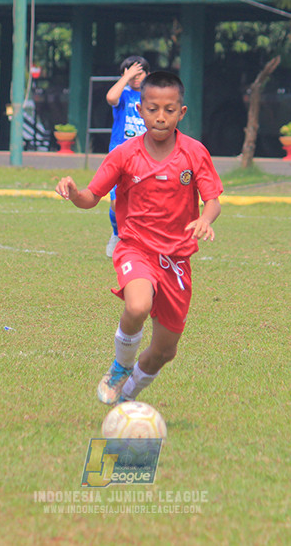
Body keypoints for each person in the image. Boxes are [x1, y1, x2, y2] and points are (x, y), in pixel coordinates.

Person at [55, 71, 222, 405]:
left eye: (169, 110)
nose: (160, 116)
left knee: (164, 351)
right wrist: (74, 194)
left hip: (176, 259)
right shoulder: (124, 154)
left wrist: (205, 218)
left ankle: (127, 396)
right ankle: (120, 366)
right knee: (138, 305)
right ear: (140, 110)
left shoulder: (194, 153)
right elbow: (92, 196)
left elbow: (213, 199)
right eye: (152, 108)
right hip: (136, 248)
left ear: (181, 112)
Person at [103, 55, 150, 257]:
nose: (135, 78)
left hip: (146, 157)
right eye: (131, 74)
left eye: (139, 73)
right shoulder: (124, 94)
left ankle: (143, 240)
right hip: (121, 155)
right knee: (116, 201)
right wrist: (126, 77)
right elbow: (111, 98)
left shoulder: (151, 97)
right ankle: (116, 234)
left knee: (145, 200)